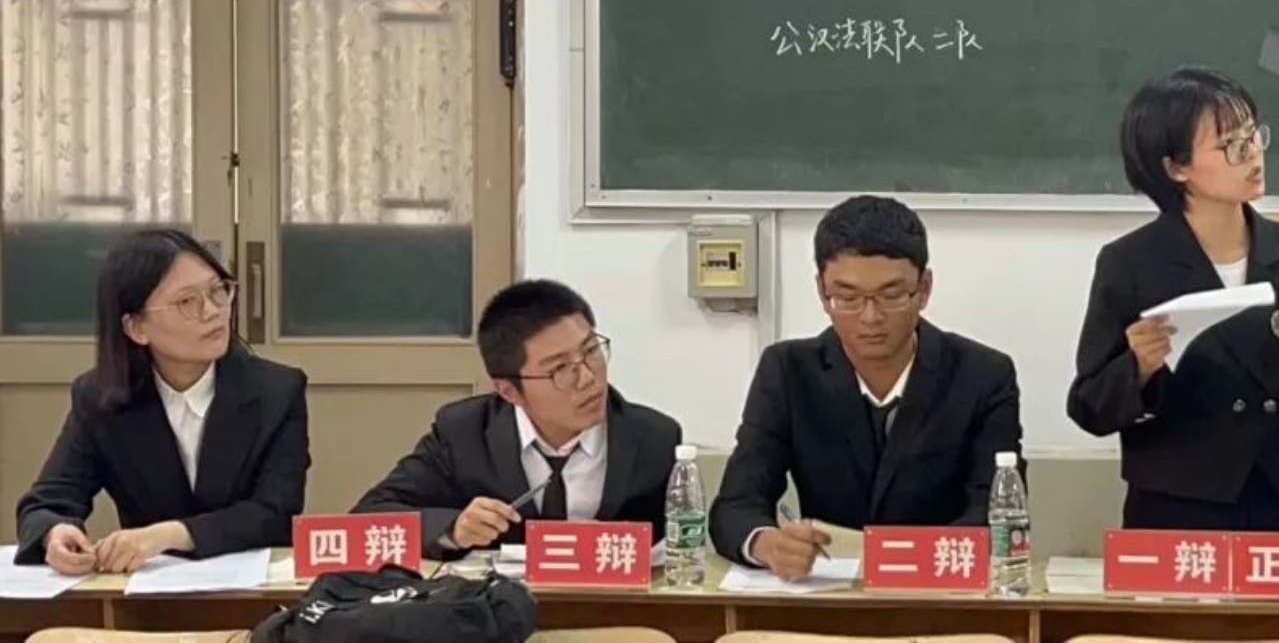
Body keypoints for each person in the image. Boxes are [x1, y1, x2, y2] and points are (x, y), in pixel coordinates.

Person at [1068, 69, 1279, 531]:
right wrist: (1137, 367)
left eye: (1253, 135)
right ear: (1176, 168)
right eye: (1231, 146)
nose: (1254, 153)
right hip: (1179, 505)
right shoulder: (1131, 262)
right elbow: (1089, 405)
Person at [709, 195, 1023, 580]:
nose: (870, 317)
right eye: (847, 298)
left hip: (940, 590)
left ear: (924, 289)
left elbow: (997, 515)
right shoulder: (788, 371)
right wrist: (768, 545)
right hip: (828, 595)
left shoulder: (982, 375)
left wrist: (906, 562)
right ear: (822, 292)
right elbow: (735, 507)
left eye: (891, 296)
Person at [14, 230, 309, 574]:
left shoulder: (277, 390)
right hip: (147, 594)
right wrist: (55, 534)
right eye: (187, 302)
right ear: (136, 327)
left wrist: (167, 535)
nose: (213, 311)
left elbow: (275, 514)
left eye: (218, 290)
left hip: (249, 591)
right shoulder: (100, 398)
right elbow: (48, 502)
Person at [353, 279, 680, 559]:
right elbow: (368, 517)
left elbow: (680, 545)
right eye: (560, 368)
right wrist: (454, 528)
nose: (588, 378)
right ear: (509, 391)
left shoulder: (655, 439)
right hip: (494, 608)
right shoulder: (464, 433)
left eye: (592, 351)